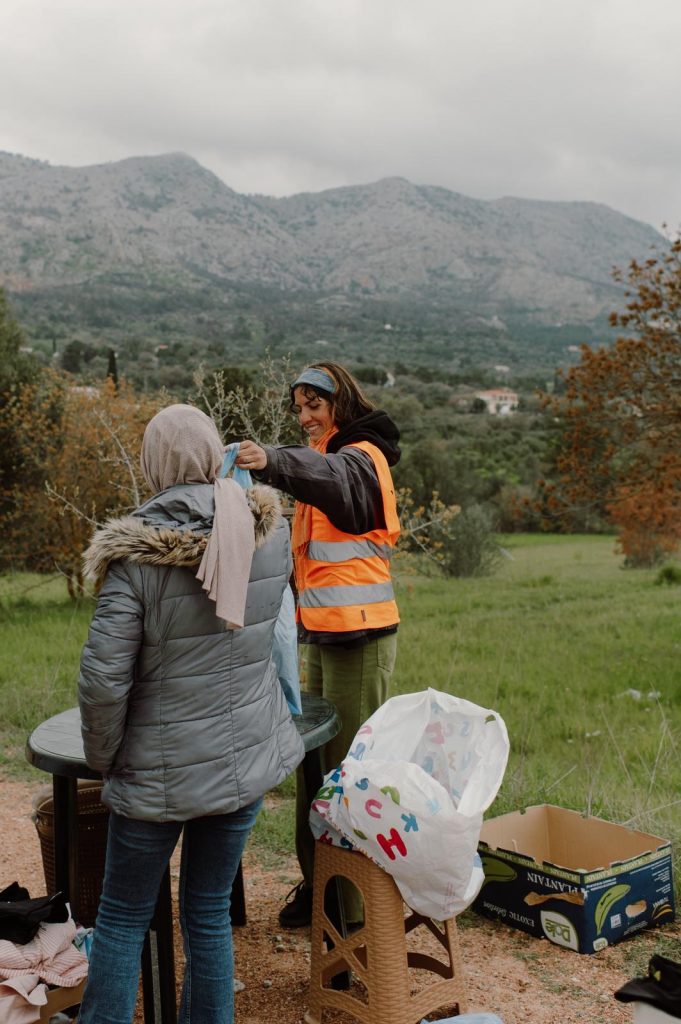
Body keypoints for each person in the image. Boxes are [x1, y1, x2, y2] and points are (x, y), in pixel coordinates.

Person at [77, 404, 304, 1024]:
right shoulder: (265, 534)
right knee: (207, 910)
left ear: (154, 466)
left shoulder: (135, 560)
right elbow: (275, 639)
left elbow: (103, 683)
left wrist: (105, 760)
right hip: (244, 761)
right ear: (211, 454)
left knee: (122, 916)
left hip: (157, 773)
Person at [237, 361, 401, 928]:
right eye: (299, 408)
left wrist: (271, 460)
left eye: (315, 405)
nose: (305, 417)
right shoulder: (327, 457)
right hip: (322, 635)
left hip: (362, 637)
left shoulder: (361, 458)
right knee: (314, 765)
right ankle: (320, 891)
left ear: (341, 404)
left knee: (348, 775)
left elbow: (330, 478)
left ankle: (351, 915)